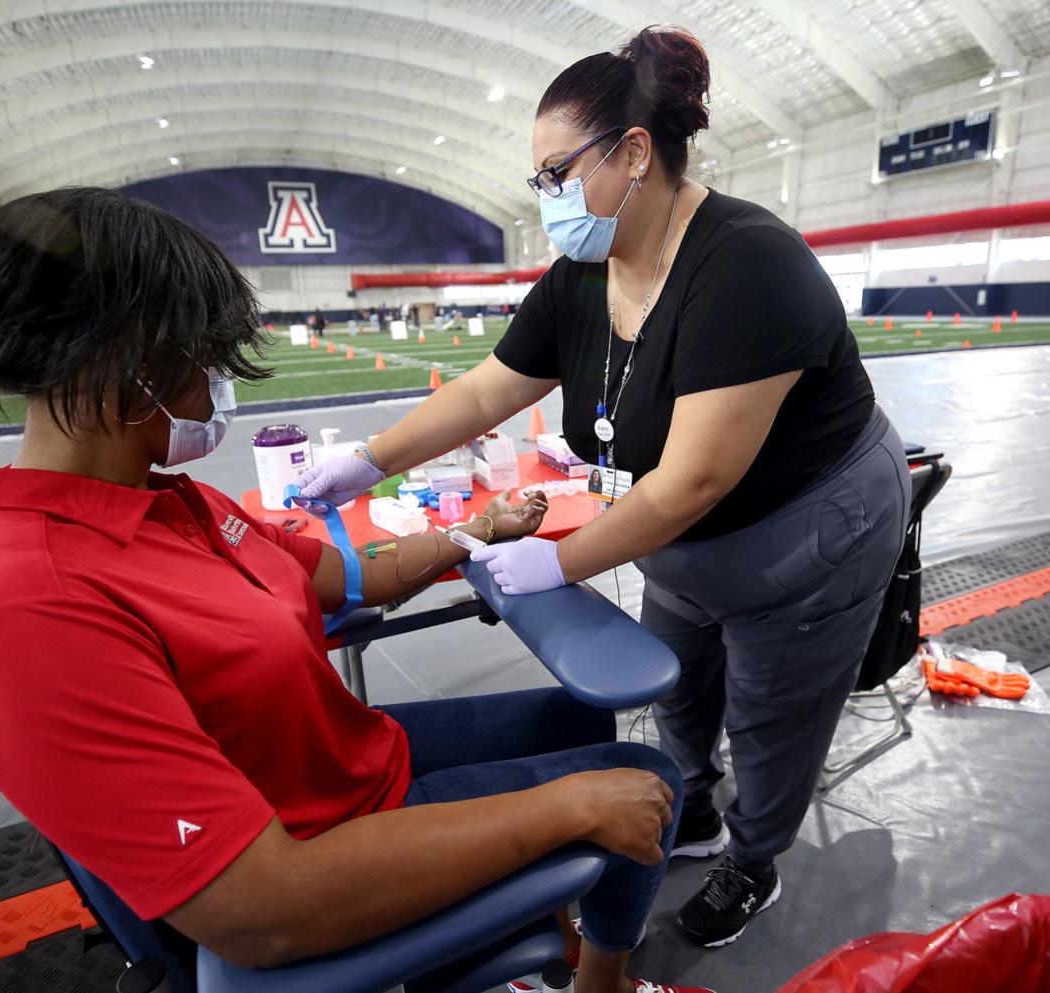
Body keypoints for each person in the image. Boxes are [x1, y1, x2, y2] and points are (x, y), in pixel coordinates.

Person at [0, 187, 712, 993]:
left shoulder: (174, 505)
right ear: (130, 364)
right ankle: (598, 984)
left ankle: (533, 927)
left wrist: (483, 531)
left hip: (349, 770)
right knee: (644, 784)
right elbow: (263, 908)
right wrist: (568, 808)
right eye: (204, 355)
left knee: (580, 712)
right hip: (320, 850)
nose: (219, 379)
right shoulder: (20, 606)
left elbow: (347, 576)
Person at [298, 24, 911, 950]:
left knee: (773, 704)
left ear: (633, 153)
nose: (545, 199)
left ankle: (755, 857)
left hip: (808, 524)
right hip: (676, 530)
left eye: (556, 173)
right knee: (677, 680)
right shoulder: (587, 273)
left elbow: (698, 476)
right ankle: (692, 812)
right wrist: (368, 460)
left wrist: (557, 561)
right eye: (537, 181)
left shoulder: (745, 265)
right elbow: (487, 388)